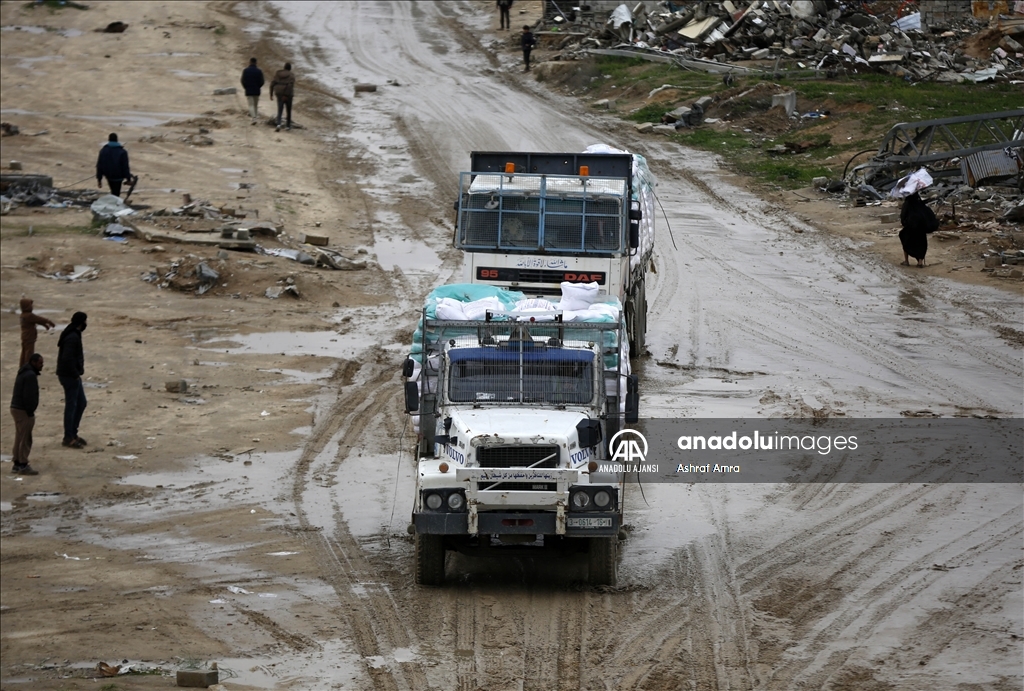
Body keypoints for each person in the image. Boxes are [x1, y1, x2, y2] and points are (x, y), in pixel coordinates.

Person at [56, 312, 88, 449]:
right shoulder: (72, 337)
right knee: (72, 406)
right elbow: (67, 359)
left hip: (71, 375)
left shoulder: (73, 333)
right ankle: (68, 437)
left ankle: (73, 433)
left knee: (81, 403)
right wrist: (75, 374)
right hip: (69, 376)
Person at [10, 353, 44, 476]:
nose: (42, 366)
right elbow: (28, 396)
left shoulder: (24, 372)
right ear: (34, 362)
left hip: (16, 408)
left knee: (19, 437)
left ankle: (17, 463)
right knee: (25, 439)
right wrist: (30, 412)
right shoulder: (30, 376)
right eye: (40, 363)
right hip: (23, 410)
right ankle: (23, 464)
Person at [899, 192, 939, 267]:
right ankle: (920, 262)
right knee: (921, 243)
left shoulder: (907, 204)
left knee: (905, 241)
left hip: (910, 227)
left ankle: (906, 261)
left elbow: (903, 215)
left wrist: (905, 223)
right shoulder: (920, 204)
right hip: (921, 228)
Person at [19, 298, 55, 367]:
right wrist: (49, 322)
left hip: (25, 336)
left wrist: (45, 325)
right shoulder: (29, 315)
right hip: (29, 337)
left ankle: (22, 366)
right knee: (29, 353)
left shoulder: (23, 315)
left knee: (24, 352)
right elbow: (39, 319)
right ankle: (27, 367)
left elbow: (35, 321)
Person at [270, 62, 295, 132]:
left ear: (284, 67)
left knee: (280, 109)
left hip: (279, 93)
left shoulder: (278, 74)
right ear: (290, 68)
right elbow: (290, 86)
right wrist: (286, 95)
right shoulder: (291, 75)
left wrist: (271, 94)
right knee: (288, 110)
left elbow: (272, 84)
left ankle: (278, 124)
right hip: (288, 95)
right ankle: (288, 126)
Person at [240, 57, 265, 123]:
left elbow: (242, 80)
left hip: (249, 89)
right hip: (257, 90)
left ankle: (254, 118)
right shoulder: (259, 71)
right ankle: (255, 117)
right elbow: (262, 81)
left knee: (251, 105)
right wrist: (259, 86)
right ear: (256, 63)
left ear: (250, 62)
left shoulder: (245, 70)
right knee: (255, 105)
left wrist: (246, 87)